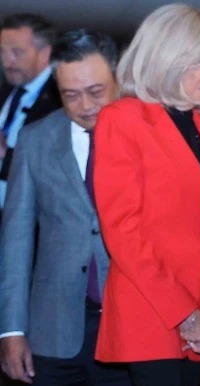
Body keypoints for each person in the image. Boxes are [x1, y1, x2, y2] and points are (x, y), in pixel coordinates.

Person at [92, 3, 200, 386]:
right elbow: (123, 231)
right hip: (150, 307)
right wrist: (185, 314)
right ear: (166, 57)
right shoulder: (123, 118)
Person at [0, 29, 130, 385]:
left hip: (129, 327)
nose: (85, 105)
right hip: (52, 330)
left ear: (118, 79)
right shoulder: (35, 139)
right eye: (70, 95)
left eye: (96, 92)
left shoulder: (145, 134)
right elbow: (16, 239)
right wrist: (11, 330)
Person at [0, 13, 62, 210]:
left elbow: (56, 166)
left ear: (45, 53)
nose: (7, 62)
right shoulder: (8, 88)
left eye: (17, 52)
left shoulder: (62, 98)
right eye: (2, 52)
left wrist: (5, 154)